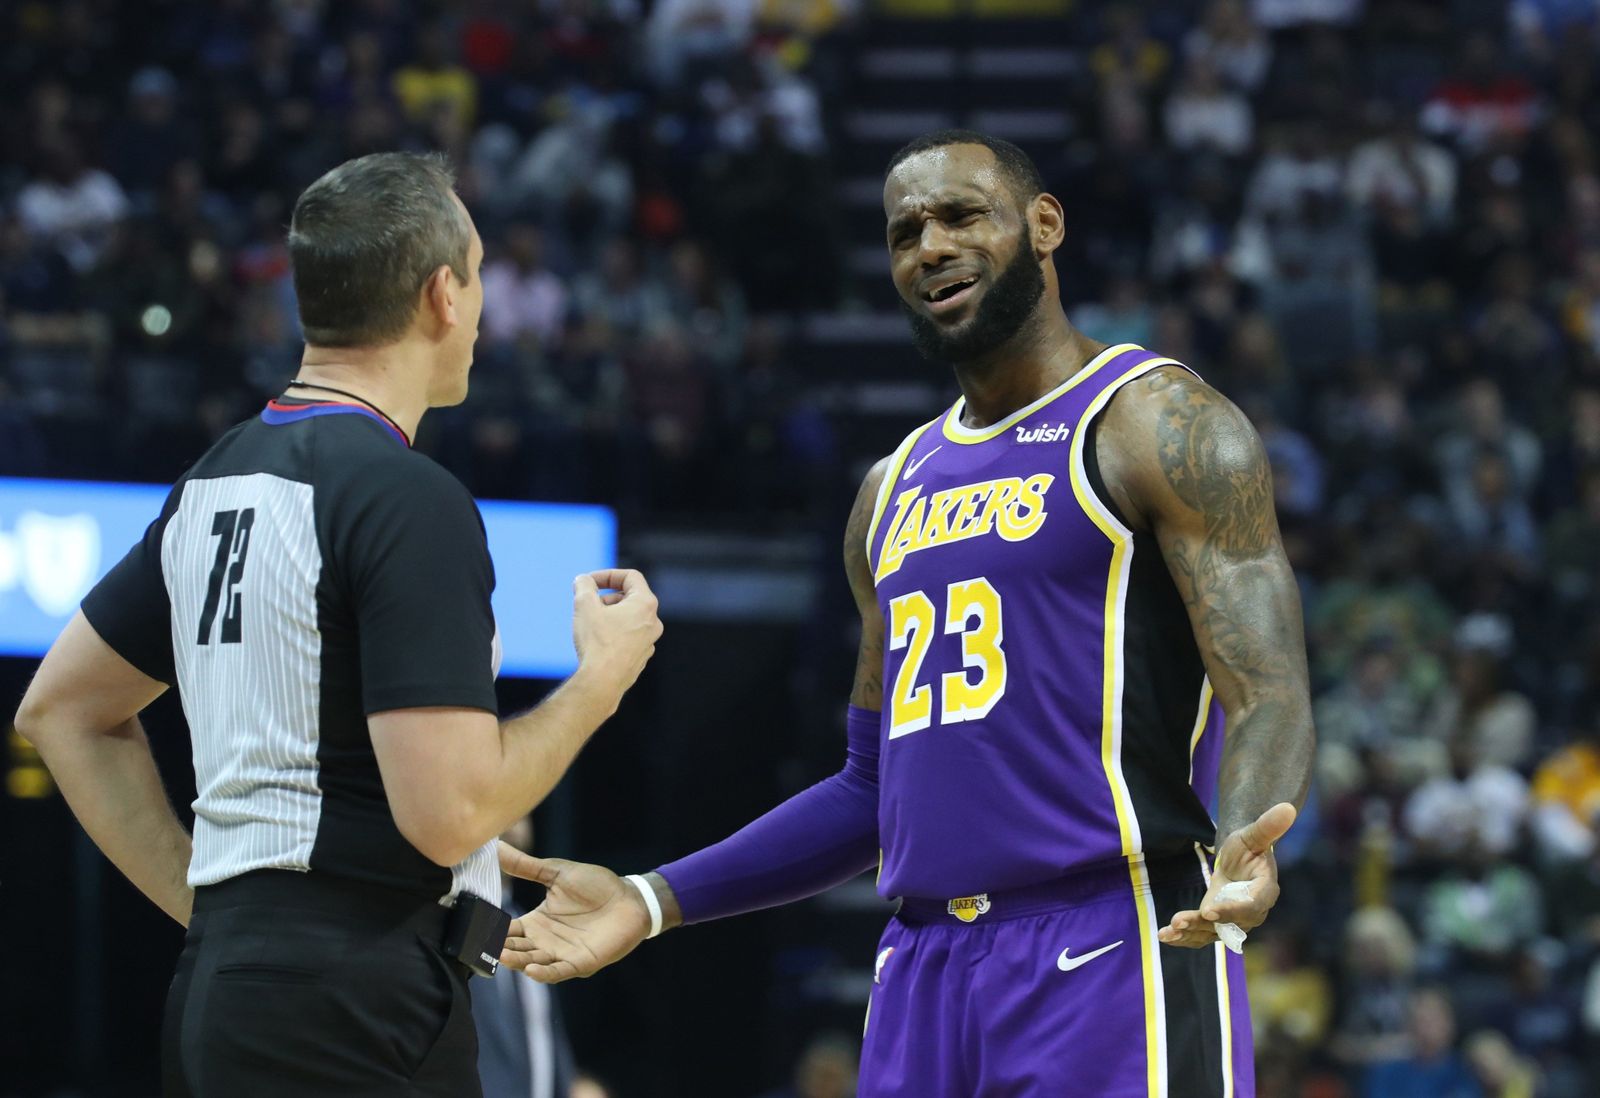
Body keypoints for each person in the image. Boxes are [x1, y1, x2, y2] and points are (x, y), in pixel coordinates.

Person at [500, 131, 1314, 1097]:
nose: (929, 246)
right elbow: (867, 790)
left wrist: (1245, 845)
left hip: (1115, 939)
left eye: (961, 216)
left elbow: (1265, 689)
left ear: (1043, 225)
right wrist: (650, 899)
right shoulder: (889, 491)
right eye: (904, 233)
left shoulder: (1155, 422)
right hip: (924, 969)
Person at [12, 152, 662, 1098]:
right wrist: (600, 678)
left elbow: (61, 710)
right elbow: (449, 813)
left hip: (232, 995)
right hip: (355, 1007)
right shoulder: (407, 496)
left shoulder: (215, 478)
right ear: (443, 295)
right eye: (476, 276)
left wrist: (215, 913)